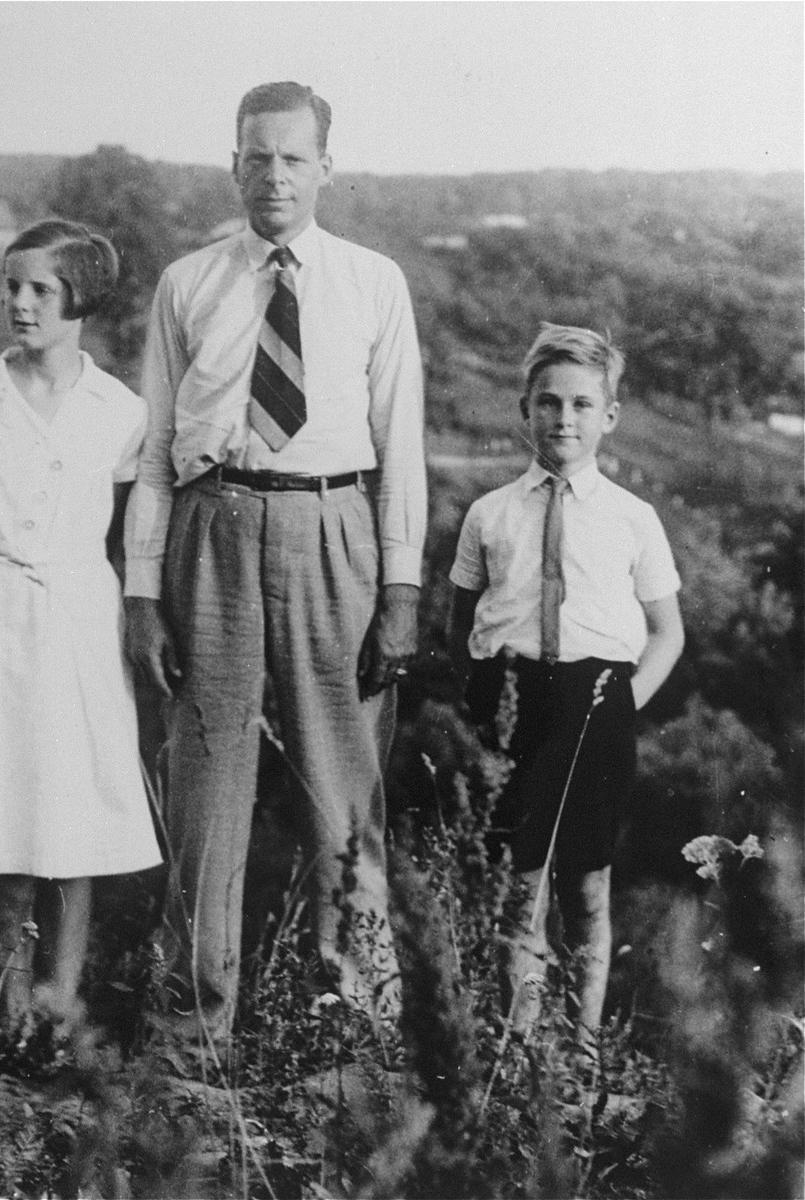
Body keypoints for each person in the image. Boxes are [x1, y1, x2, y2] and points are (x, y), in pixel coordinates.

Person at [124, 82, 426, 1039]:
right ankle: (191, 1028)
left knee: (344, 788)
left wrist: (403, 590)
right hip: (210, 530)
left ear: (326, 169)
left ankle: (358, 1025)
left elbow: (402, 448)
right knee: (206, 789)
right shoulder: (189, 282)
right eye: (257, 156)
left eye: (294, 157)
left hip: (331, 531)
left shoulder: (373, 282)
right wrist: (140, 593)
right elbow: (154, 453)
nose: (275, 175)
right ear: (234, 164)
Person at [0, 219, 162, 1034]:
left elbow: (117, 526)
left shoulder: (120, 412)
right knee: (2, 814)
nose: (19, 303)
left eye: (40, 289)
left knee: (71, 814)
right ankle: (6, 1011)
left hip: (77, 619)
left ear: (79, 297)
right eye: (11, 286)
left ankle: (62, 1001)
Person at [446, 323, 683, 1045]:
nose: (563, 419)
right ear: (524, 410)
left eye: (582, 404)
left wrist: (624, 705)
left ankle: (578, 1045)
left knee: (586, 883)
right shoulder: (491, 514)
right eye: (548, 403)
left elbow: (668, 631)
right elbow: (461, 619)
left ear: (608, 416)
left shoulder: (632, 520)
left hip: (599, 702)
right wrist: (480, 696)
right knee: (517, 886)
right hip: (515, 699)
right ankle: (518, 1049)